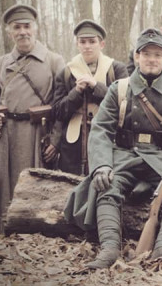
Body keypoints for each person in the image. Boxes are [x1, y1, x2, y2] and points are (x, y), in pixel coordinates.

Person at [64, 29, 162, 270]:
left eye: (158, 55)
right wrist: (102, 165)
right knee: (105, 184)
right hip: (125, 155)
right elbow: (101, 130)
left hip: (161, 159)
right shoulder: (119, 89)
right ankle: (109, 248)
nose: (152, 59)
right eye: (146, 54)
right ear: (137, 56)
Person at [0, 4, 65, 233]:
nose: (23, 32)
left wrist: (56, 140)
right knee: (6, 187)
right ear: (9, 32)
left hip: (39, 135)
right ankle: (3, 231)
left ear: (35, 28)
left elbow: (63, 106)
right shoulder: (0, 63)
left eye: (27, 26)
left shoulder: (54, 61)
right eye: (17, 27)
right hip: (8, 137)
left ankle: (38, 234)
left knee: (38, 188)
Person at [52, 20, 128, 175]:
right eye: (83, 42)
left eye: (92, 41)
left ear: (102, 44)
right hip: (73, 144)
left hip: (109, 136)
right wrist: (76, 92)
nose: (87, 46)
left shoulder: (116, 69)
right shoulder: (66, 72)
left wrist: (96, 86)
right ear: (77, 44)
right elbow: (58, 111)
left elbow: (125, 104)